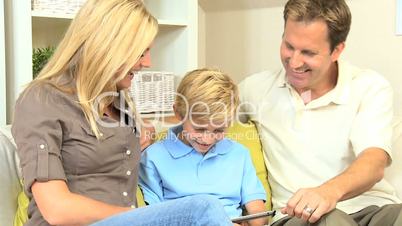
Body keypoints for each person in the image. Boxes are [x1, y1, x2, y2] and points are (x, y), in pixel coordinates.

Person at [11, 1, 233, 225]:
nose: (147, 62)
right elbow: (57, 210)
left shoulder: (119, 101)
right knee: (203, 208)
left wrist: (149, 132)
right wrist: (140, 219)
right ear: (106, 46)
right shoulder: (41, 99)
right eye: (140, 52)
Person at [238, 0, 402, 225]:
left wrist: (327, 192)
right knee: (330, 220)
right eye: (288, 46)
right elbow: (201, 122)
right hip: (302, 216)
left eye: (308, 52)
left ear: (337, 50)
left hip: (372, 209)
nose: (294, 62)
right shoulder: (254, 89)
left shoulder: (369, 86)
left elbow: (374, 161)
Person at [139, 68, 268, 226]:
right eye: (199, 129)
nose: (207, 139)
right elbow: (152, 217)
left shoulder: (239, 154)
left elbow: (257, 212)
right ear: (179, 114)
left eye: (219, 130)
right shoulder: (154, 157)